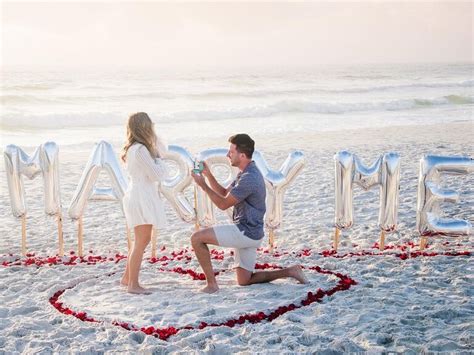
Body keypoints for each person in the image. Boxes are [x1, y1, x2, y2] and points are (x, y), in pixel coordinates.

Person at [191, 133, 308, 294]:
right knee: (244, 280)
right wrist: (208, 175)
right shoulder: (245, 172)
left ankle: (212, 285)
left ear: (242, 155)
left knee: (197, 238)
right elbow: (225, 193)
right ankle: (290, 271)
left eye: (231, 152)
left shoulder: (249, 178)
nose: (227, 155)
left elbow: (223, 204)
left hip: (245, 232)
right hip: (252, 233)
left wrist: (203, 185)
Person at [120, 112, 168, 294]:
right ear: (144, 127)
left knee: (140, 240)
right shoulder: (140, 150)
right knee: (141, 240)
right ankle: (133, 285)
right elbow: (156, 175)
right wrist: (157, 159)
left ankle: (127, 278)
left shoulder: (134, 148)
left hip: (139, 193)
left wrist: (155, 153)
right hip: (141, 196)